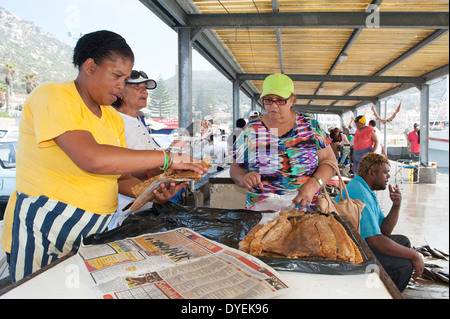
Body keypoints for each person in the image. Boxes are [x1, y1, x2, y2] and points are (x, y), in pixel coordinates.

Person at [1, 30, 206, 282]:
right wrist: (167, 159)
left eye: (125, 78)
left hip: (92, 231)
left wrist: (152, 191)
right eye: (116, 76)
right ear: (89, 66)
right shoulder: (54, 96)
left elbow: (118, 179)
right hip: (44, 227)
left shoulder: (111, 118)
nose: (121, 87)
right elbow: (93, 159)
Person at [230, 73, 336, 210]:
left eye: (280, 100)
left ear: (292, 100)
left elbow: (330, 162)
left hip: (304, 209)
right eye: (268, 100)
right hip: (261, 212)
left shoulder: (309, 126)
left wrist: (314, 184)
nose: (274, 106)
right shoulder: (252, 130)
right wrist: (243, 178)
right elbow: (234, 168)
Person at [335, 153, 424, 292]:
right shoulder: (359, 193)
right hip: (350, 252)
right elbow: (375, 241)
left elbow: (384, 231)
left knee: (404, 241)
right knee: (403, 265)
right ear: (371, 173)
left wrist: (396, 205)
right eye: (386, 173)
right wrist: (414, 255)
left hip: (362, 243)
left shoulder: (366, 190)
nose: (388, 177)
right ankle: (380, 293)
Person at [108, 70, 184, 229]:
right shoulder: (113, 121)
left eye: (145, 88)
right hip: (123, 213)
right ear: (120, 89)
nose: (144, 92)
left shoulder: (138, 120)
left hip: (144, 208)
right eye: (137, 87)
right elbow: (114, 170)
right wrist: (165, 166)